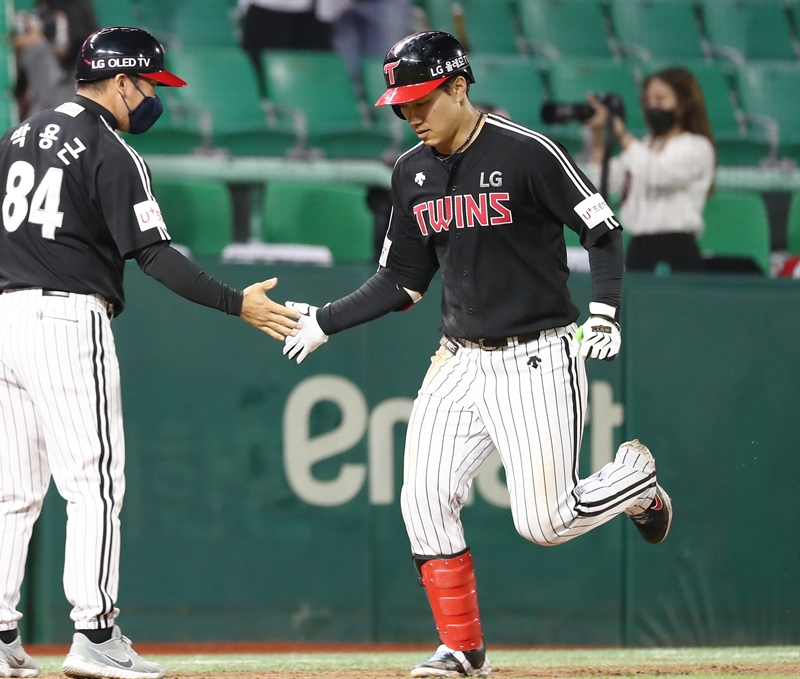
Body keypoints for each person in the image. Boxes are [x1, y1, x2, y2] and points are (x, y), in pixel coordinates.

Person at [282, 32, 673, 678]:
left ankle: (634, 477)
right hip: (459, 359)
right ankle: (463, 650)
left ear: (458, 87)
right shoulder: (410, 172)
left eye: (421, 102)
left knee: (545, 521)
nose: (410, 116)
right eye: (401, 106)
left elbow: (601, 228)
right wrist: (326, 319)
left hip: (538, 356)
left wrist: (604, 308)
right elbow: (401, 282)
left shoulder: (527, 152)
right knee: (423, 496)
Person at [0, 27, 300, 679]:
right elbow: (155, 256)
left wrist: (18, 272)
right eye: (149, 85)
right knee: (94, 482)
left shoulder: (19, 135)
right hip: (66, 320)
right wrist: (239, 303)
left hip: (0, 316)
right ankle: (94, 633)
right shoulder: (108, 149)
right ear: (121, 82)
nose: (153, 98)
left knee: (9, 491)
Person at [583, 67, 716, 272]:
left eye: (660, 99)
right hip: (639, 247)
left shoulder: (697, 146)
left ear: (683, 103)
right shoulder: (643, 146)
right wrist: (597, 134)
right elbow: (608, 183)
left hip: (677, 247)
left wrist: (622, 134)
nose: (653, 105)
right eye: (648, 100)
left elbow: (658, 174)